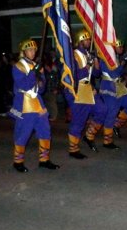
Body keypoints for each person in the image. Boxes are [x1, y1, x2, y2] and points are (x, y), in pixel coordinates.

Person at [9, 39, 60, 172]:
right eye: (29, 50)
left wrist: (40, 78)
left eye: (34, 50)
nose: (32, 52)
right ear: (24, 51)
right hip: (24, 103)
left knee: (45, 130)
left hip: (37, 102)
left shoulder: (37, 66)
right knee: (23, 133)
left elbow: (41, 88)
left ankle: (44, 160)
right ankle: (18, 161)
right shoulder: (18, 66)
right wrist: (34, 73)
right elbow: (24, 85)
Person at [64, 28, 107, 159]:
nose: (88, 41)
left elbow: (96, 74)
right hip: (75, 90)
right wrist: (87, 67)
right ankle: (73, 149)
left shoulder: (88, 54)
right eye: (86, 39)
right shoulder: (72, 55)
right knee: (79, 119)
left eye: (89, 39)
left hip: (88, 88)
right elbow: (73, 75)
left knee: (102, 110)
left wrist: (96, 63)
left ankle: (89, 136)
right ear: (79, 41)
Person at [87, 38, 127, 147]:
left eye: (122, 46)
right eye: (119, 47)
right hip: (109, 87)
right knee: (111, 113)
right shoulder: (107, 58)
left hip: (119, 86)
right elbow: (110, 72)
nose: (122, 49)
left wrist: (123, 62)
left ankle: (117, 125)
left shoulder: (116, 57)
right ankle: (106, 141)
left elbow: (120, 72)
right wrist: (123, 62)